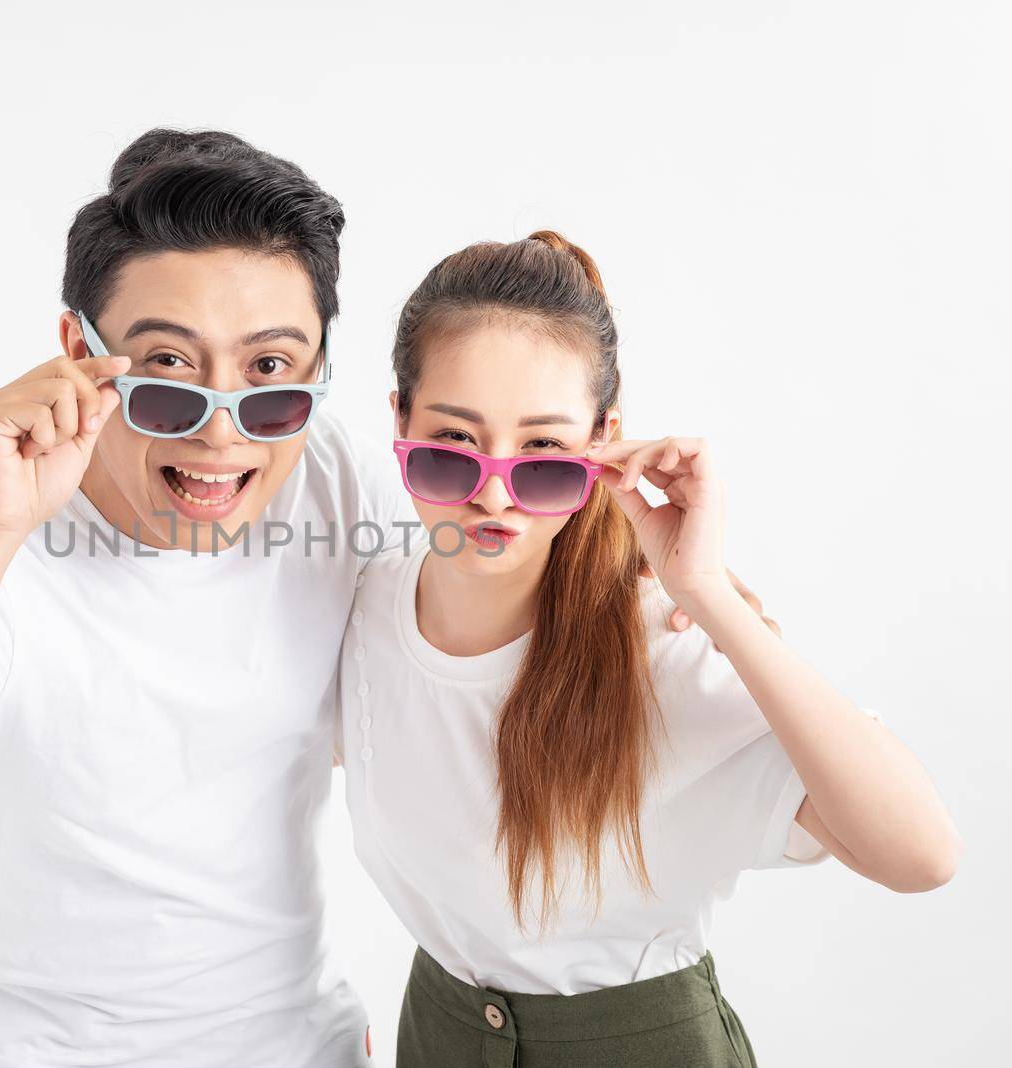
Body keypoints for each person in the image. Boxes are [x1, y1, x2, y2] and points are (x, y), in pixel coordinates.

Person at [0, 128, 770, 1067]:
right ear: (76, 353)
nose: (221, 432)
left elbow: (492, 547)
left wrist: (683, 592)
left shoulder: (327, 480)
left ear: (324, 371)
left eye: (271, 373)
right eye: (164, 370)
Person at [338, 231, 962, 1067]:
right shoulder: (365, 606)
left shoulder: (661, 648)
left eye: (545, 455)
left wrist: (705, 592)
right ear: (399, 421)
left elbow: (921, 856)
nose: (493, 492)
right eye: (452, 445)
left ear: (604, 442)